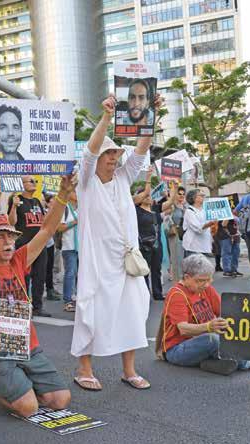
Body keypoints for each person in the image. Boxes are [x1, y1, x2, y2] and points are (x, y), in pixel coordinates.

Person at [0, 159, 73, 416]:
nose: (8, 242)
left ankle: (8, 379)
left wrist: (63, 195)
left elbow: (47, 230)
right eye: (0, 237)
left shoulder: (18, 260)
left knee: (60, 399)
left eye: (11, 236)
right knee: (28, 406)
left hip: (24, 346)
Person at [71, 92, 163, 392]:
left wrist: (150, 116)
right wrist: (107, 116)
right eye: (108, 154)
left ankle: (129, 370)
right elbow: (90, 151)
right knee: (90, 311)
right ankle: (84, 369)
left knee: (133, 312)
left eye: (115, 154)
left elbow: (141, 150)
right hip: (97, 262)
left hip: (127, 262)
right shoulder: (86, 182)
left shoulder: (124, 178)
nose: (113, 158)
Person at [156, 255, 250, 375]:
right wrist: (209, 326)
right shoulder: (177, 294)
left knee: (227, 331)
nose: (206, 284)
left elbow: (226, 313)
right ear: (186, 277)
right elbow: (183, 329)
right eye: (201, 281)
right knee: (212, 339)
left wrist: (248, 321)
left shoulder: (206, 288)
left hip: (200, 343)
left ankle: (213, 362)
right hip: (176, 350)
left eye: (209, 280)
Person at [7, 176, 51, 317]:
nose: (34, 183)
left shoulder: (37, 201)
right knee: (24, 277)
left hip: (39, 245)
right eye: (31, 181)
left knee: (40, 276)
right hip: (24, 245)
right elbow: (11, 222)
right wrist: (14, 206)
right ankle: (24, 306)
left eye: (35, 181)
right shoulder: (17, 200)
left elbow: (43, 221)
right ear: (23, 184)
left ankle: (38, 306)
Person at [133, 173, 164, 300]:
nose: (148, 197)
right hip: (143, 245)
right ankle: (144, 295)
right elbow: (146, 192)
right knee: (144, 271)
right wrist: (148, 178)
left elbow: (170, 203)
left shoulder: (155, 209)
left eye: (149, 196)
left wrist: (174, 188)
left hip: (156, 244)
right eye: (145, 195)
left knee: (156, 269)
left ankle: (158, 293)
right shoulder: (136, 210)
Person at [57, 192, 79, 312]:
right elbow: (59, 228)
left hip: (82, 248)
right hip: (69, 247)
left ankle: (78, 297)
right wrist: (74, 222)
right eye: (75, 191)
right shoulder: (64, 208)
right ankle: (68, 301)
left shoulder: (82, 207)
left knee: (81, 274)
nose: (77, 193)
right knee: (70, 273)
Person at [162, 184, 186, 281]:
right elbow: (164, 209)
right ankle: (177, 283)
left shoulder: (185, 206)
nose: (181, 196)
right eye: (179, 194)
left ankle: (184, 282)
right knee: (176, 260)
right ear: (175, 194)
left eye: (183, 194)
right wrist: (173, 191)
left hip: (184, 235)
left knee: (184, 261)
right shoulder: (171, 206)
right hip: (174, 234)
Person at [182, 189, 215, 258]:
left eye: (204, 195)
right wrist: (209, 224)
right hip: (193, 247)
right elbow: (197, 228)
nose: (203, 197)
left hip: (204, 246)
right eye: (201, 195)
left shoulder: (204, 210)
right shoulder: (189, 212)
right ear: (194, 198)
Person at [217, 213, 241, 278]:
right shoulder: (223, 212)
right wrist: (228, 215)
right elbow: (223, 224)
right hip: (225, 235)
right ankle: (227, 270)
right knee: (227, 252)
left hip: (235, 234)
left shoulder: (234, 212)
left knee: (236, 252)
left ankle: (234, 269)